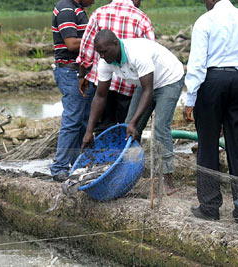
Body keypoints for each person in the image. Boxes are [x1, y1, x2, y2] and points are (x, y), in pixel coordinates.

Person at [183, 0, 238, 221]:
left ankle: (209, 207)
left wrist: (190, 97)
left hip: (211, 82)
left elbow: (196, 63)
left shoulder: (205, 21)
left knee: (208, 144)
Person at [81, 30, 184, 193]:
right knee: (127, 129)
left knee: (160, 128)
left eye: (104, 51)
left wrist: (135, 122)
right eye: (99, 53)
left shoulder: (136, 53)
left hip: (168, 80)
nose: (102, 56)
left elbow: (148, 91)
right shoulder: (105, 61)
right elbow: (100, 97)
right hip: (144, 85)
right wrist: (89, 131)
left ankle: (167, 180)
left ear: (116, 44)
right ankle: (131, 173)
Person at [76, 0, 155, 134]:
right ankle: (124, 153)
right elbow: (150, 52)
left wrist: (82, 75)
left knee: (103, 130)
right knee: (129, 128)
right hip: (129, 85)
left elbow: (86, 47)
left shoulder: (99, 13)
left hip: (103, 83)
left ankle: (106, 154)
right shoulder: (141, 18)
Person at [50, 0, 96, 181]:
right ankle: (59, 166)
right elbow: (70, 43)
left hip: (81, 71)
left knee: (84, 119)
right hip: (70, 71)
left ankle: (78, 164)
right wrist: (96, 39)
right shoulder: (66, 9)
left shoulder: (78, 9)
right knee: (73, 119)